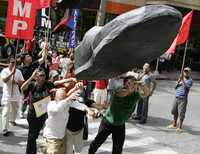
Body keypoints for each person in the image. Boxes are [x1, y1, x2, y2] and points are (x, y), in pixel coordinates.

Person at [88, 76, 150, 154]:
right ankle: (90, 152)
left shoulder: (135, 94)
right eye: (129, 83)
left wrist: (142, 85)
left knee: (118, 149)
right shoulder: (119, 90)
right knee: (98, 141)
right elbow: (121, 94)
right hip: (108, 122)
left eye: (134, 83)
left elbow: (147, 93)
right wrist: (130, 88)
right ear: (125, 84)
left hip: (120, 124)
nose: (132, 85)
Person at [43, 86, 87, 154]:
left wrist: (89, 110)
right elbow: (55, 111)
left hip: (63, 138)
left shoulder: (67, 103)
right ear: (55, 98)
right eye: (61, 98)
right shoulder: (51, 104)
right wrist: (67, 99)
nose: (63, 99)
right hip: (52, 138)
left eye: (64, 97)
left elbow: (80, 106)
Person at [21, 67, 55, 154]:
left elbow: (55, 86)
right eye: (40, 75)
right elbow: (22, 88)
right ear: (36, 76)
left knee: (34, 135)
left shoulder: (48, 84)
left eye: (44, 75)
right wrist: (31, 77)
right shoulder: (32, 84)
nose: (43, 77)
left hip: (42, 114)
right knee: (32, 136)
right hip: (32, 115)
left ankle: (32, 151)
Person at [18, 47, 48, 118]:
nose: (30, 57)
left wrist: (45, 49)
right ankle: (22, 111)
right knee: (25, 101)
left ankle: (39, 113)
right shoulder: (20, 69)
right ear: (24, 60)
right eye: (28, 56)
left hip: (34, 86)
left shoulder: (34, 64)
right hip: (26, 86)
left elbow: (43, 58)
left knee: (36, 99)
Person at [1, 57, 24, 136]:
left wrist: (16, 82)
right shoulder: (4, 71)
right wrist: (11, 74)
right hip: (7, 94)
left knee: (15, 109)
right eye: (12, 62)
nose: (13, 64)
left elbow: (22, 83)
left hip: (16, 94)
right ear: (8, 63)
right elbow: (4, 80)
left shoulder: (19, 71)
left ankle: (12, 120)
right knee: (6, 111)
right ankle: (5, 128)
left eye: (14, 62)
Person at [167, 67, 193, 134]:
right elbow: (175, 88)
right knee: (174, 111)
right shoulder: (181, 79)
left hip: (183, 98)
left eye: (187, 71)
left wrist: (183, 81)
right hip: (176, 97)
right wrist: (179, 81)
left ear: (189, 73)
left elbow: (186, 88)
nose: (186, 72)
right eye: (185, 71)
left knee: (181, 113)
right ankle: (174, 124)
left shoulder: (190, 80)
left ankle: (180, 128)